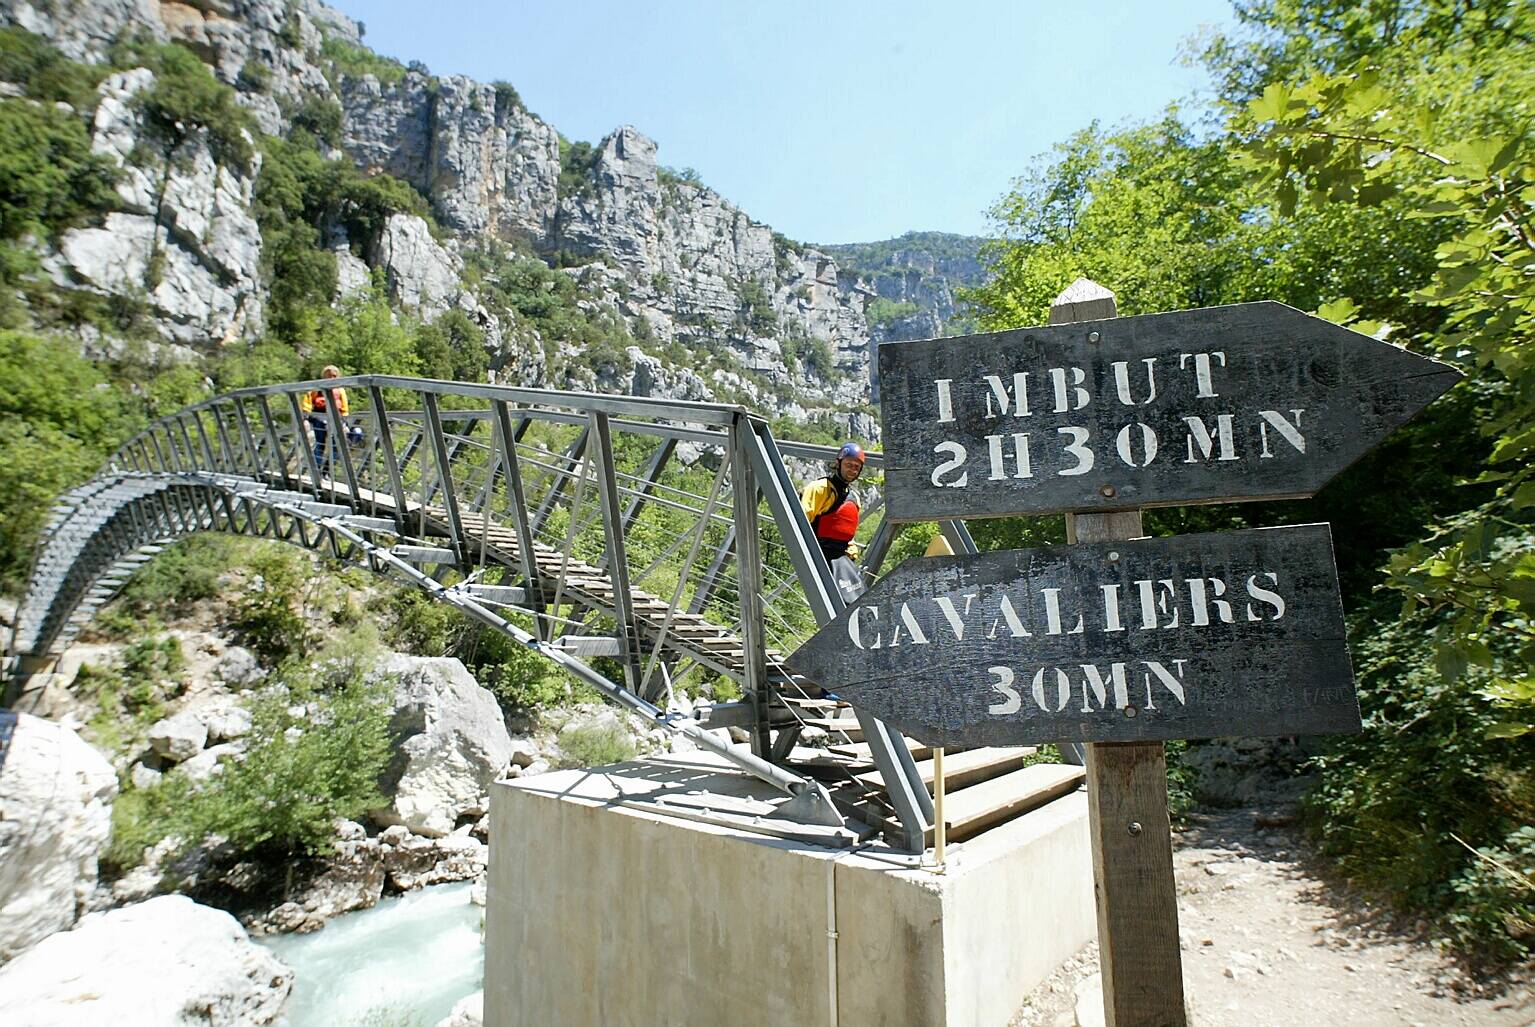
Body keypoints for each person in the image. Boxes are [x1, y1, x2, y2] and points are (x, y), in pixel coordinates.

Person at [299, 365, 349, 473]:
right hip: (319, 418)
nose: (331, 378)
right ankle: (316, 470)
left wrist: (344, 422)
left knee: (337, 445)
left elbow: (344, 407)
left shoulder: (340, 390)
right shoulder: (316, 388)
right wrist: (305, 418)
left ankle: (326, 471)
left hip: (336, 419)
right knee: (320, 443)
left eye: (334, 376)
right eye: (328, 376)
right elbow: (307, 403)